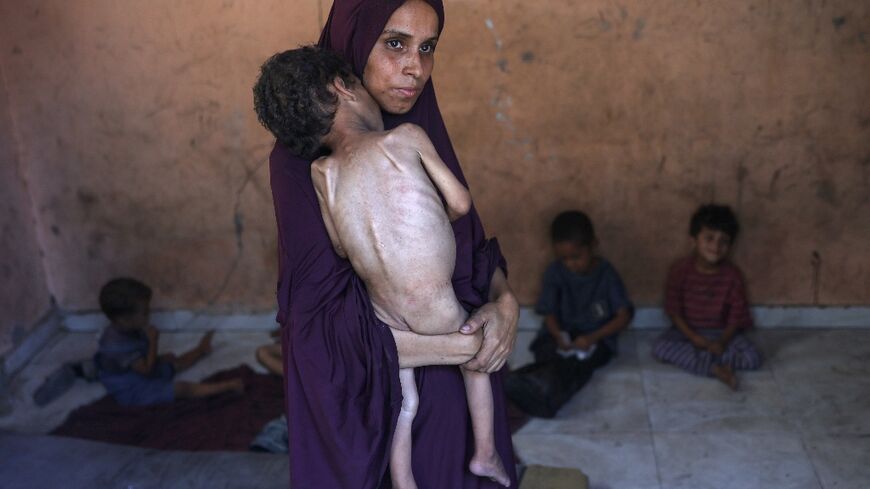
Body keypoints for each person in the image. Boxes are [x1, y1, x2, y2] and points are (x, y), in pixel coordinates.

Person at [263, 1, 519, 488]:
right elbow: (320, 332)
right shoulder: (299, 161)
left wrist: (505, 304)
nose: (415, 68)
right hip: (377, 396)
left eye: (428, 48)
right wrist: (460, 345)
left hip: (456, 379)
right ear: (350, 52)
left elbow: (469, 248)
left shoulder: (417, 124)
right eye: (394, 43)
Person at [505, 211, 632, 417]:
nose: (570, 264)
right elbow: (549, 312)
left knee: (579, 367)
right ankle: (524, 384)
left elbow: (623, 316)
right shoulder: (555, 272)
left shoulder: (606, 274)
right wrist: (558, 336)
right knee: (549, 354)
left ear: (593, 245)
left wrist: (591, 338)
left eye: (576, 257)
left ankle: (545, 394)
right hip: (560, 334)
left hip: (595, 339)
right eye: (564, 259)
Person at [652, 204, 762, 389]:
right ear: (694, 240)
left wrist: (722, 341)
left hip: (721, 333)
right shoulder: (680, 271)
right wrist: (694, 337)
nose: (716, 246)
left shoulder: (732, 276)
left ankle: (708, 362)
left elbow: (736, 315)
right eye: (709, 238)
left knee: (753, 357)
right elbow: (674, 311)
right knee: (660, 348)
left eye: (724, 241)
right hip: (687, 333)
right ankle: (714, 368)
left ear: (730, 245)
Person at [95, 278, 244, 406]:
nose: (149, 315)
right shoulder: (117, 346)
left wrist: (157, 357)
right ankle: (227, 386)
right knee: (181, 389)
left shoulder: (126, 327)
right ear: (124, 320)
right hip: (131, 387)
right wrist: (154, 342)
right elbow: (147, 371)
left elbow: (142, 358)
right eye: (145, 313)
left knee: (174, 361)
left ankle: (201, 349)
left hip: (137, 370)